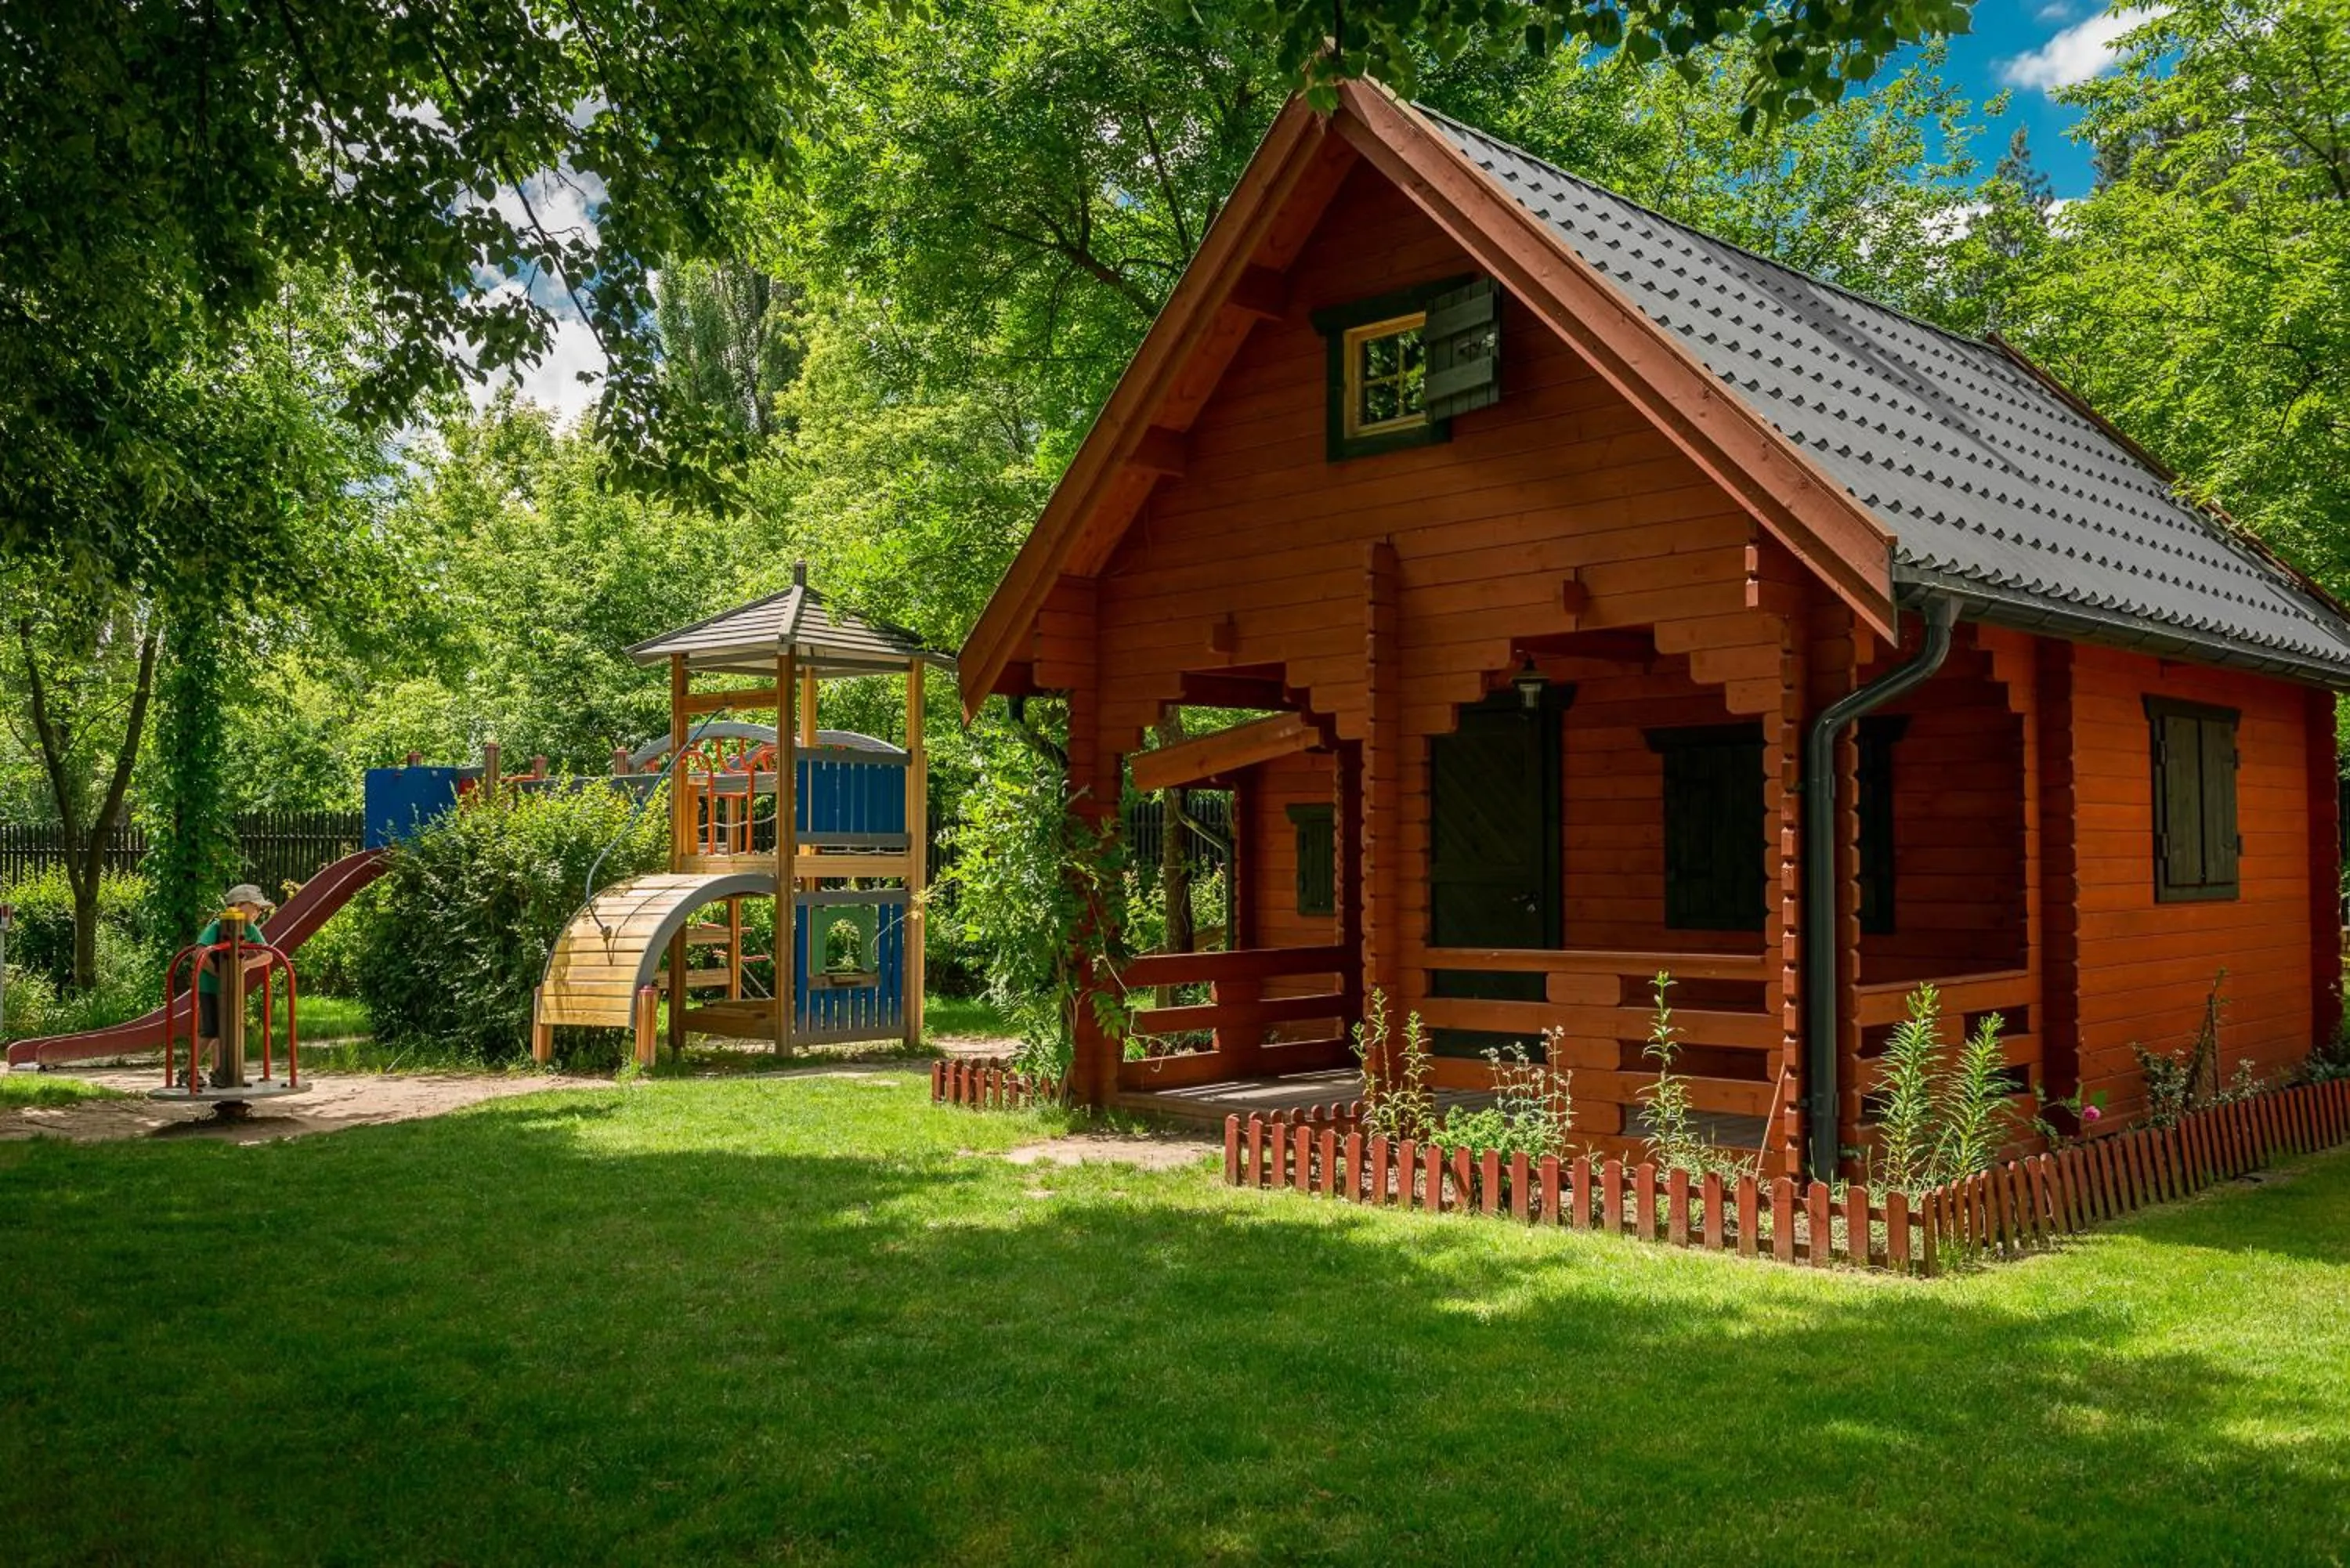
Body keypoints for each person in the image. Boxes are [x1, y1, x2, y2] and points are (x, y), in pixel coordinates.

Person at [195, 884, 277, 1077]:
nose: (259, 911)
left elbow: (269, 955)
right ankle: (188, 1070)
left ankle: (218, 1071)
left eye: (260, 908)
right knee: (211, 1031)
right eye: (255, 906)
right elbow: (199, 953)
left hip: (232, 988)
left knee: (224, 1030)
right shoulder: (217, 927)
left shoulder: (250, 928)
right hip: (210, 988)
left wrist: (246, 965)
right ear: (238, 905)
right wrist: (219, 973)